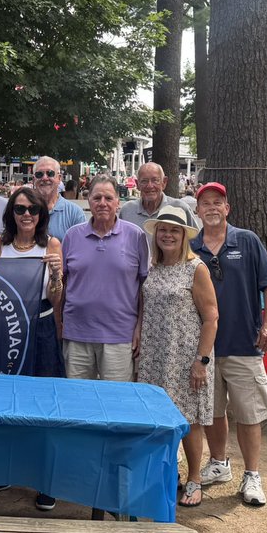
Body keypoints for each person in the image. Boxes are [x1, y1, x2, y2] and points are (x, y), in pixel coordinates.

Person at [0, 184, 66, 510]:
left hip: (41, 326)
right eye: (20, 209)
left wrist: (56, 275)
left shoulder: (51, 244)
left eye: (33, 209)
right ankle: (2, 472)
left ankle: (45, 479)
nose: (27, 215)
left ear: (41, 214)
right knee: (4, 401)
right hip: (7, 329)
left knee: (43, 402)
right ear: (11, 212)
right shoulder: (0, 244)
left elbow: (56, 297)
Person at [191, 181, 267, 507]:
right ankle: (218, 463)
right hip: (205, 347)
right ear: (197, 210)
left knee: (249, 413)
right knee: (211, 410)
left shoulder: (248, 240)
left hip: (244, 342)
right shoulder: (191, 246)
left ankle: (252, 474)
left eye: (218, 202)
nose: (212, 208)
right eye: (206, 203)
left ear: (227, 208)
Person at [138, 205, 219, 507]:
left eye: (174, 230)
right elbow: (146, 306)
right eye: (163, 229)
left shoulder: (196, 268)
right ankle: (166, 474)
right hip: (155, 355)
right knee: (158, 419)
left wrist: (202, 360)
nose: (168, 235)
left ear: (184, 235)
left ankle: (194, 479)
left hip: (185, 356)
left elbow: (211, 317)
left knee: (189, 419)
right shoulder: (154, 267)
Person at [59, 174, 149, 382]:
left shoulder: (136, 236)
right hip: (77, 335)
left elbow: (144, 288)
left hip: (120, 336)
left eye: (108, 198)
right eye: (97, 198)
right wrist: (59, 322)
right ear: (88, 200)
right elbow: (61, 284)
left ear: (118, 201)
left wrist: (140, 327)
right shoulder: (72, 236)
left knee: (116, 399)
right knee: (77, 397)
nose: (102, 203)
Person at [120, 162, 197, 229]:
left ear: (164, 182)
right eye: (144, 181)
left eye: (155, 180)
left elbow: (196, 239)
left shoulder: (180, 208)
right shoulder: (127, 210)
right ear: (137, 184)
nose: (150, 186)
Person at [31, 156, 86, 240]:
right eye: (39, 174)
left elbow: (81, 245)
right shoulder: (22, 211)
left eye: (50, 173)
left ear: (59, 178)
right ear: (33, 179)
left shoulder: (74, 213)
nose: (44, 178)